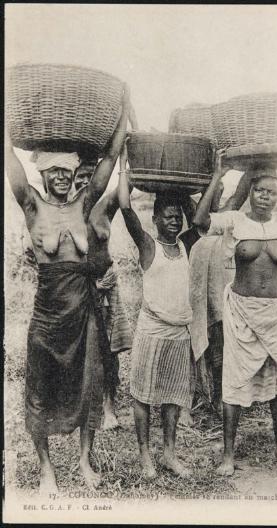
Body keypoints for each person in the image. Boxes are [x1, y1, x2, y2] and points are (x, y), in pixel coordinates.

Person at [5, 86, 129, 492]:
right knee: (39, 389)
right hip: (46, 315)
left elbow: (109, 160)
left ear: (73, 173)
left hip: (84, 313)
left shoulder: (84, 202)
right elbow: (10, 165)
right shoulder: (32, 206)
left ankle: (83, 461)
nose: (60, 177)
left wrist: (122, 112)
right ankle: (46, 470)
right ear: (43, 174)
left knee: (88, 386)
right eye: (53, 171)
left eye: (66, 171)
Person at [193, 148, 277, 476]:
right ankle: (227, 455)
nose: (265, 197)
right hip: (241, 314)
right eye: (259, 190)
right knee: (234, 382)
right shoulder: (235, 221)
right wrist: (217, 175)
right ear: (249, 192)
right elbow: (199, 222)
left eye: (272, 192)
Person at [118, 145, 205, 480]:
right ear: (154, 219)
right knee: (143, 394)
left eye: (176, 215)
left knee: (172, 395)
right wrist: (124, 167)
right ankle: (145, 457)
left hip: (178, 332)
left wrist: (183, 192)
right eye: (166, 215)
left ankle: (168, 453)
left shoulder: (185, 244)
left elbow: (199, 219)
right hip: (151, 331)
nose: (173, 219)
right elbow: (125, 206)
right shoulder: (147, 246)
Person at [179, 168, 253, 426]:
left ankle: (221, 399)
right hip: (193, 300)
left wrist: (249, 164)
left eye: (220, 191)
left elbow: (242, 192)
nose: (216, 195)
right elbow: (196, 211)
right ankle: (185, 404)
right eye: (210, 191)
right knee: (189, 349)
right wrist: (214, 176)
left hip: (220, 300)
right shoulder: (190, 229)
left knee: (220, 351)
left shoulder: (226, 221)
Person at [74, 160, 133, 429]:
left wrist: (124, 154)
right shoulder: (64, 211)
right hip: (79, 289)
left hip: (107, 286)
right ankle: (82, 404)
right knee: (82, 347)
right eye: (79, 177)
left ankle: (110, 406)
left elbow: (128, 183)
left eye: (89, 176)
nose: (83, 182)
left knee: (109, 351)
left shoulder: (105, 207)